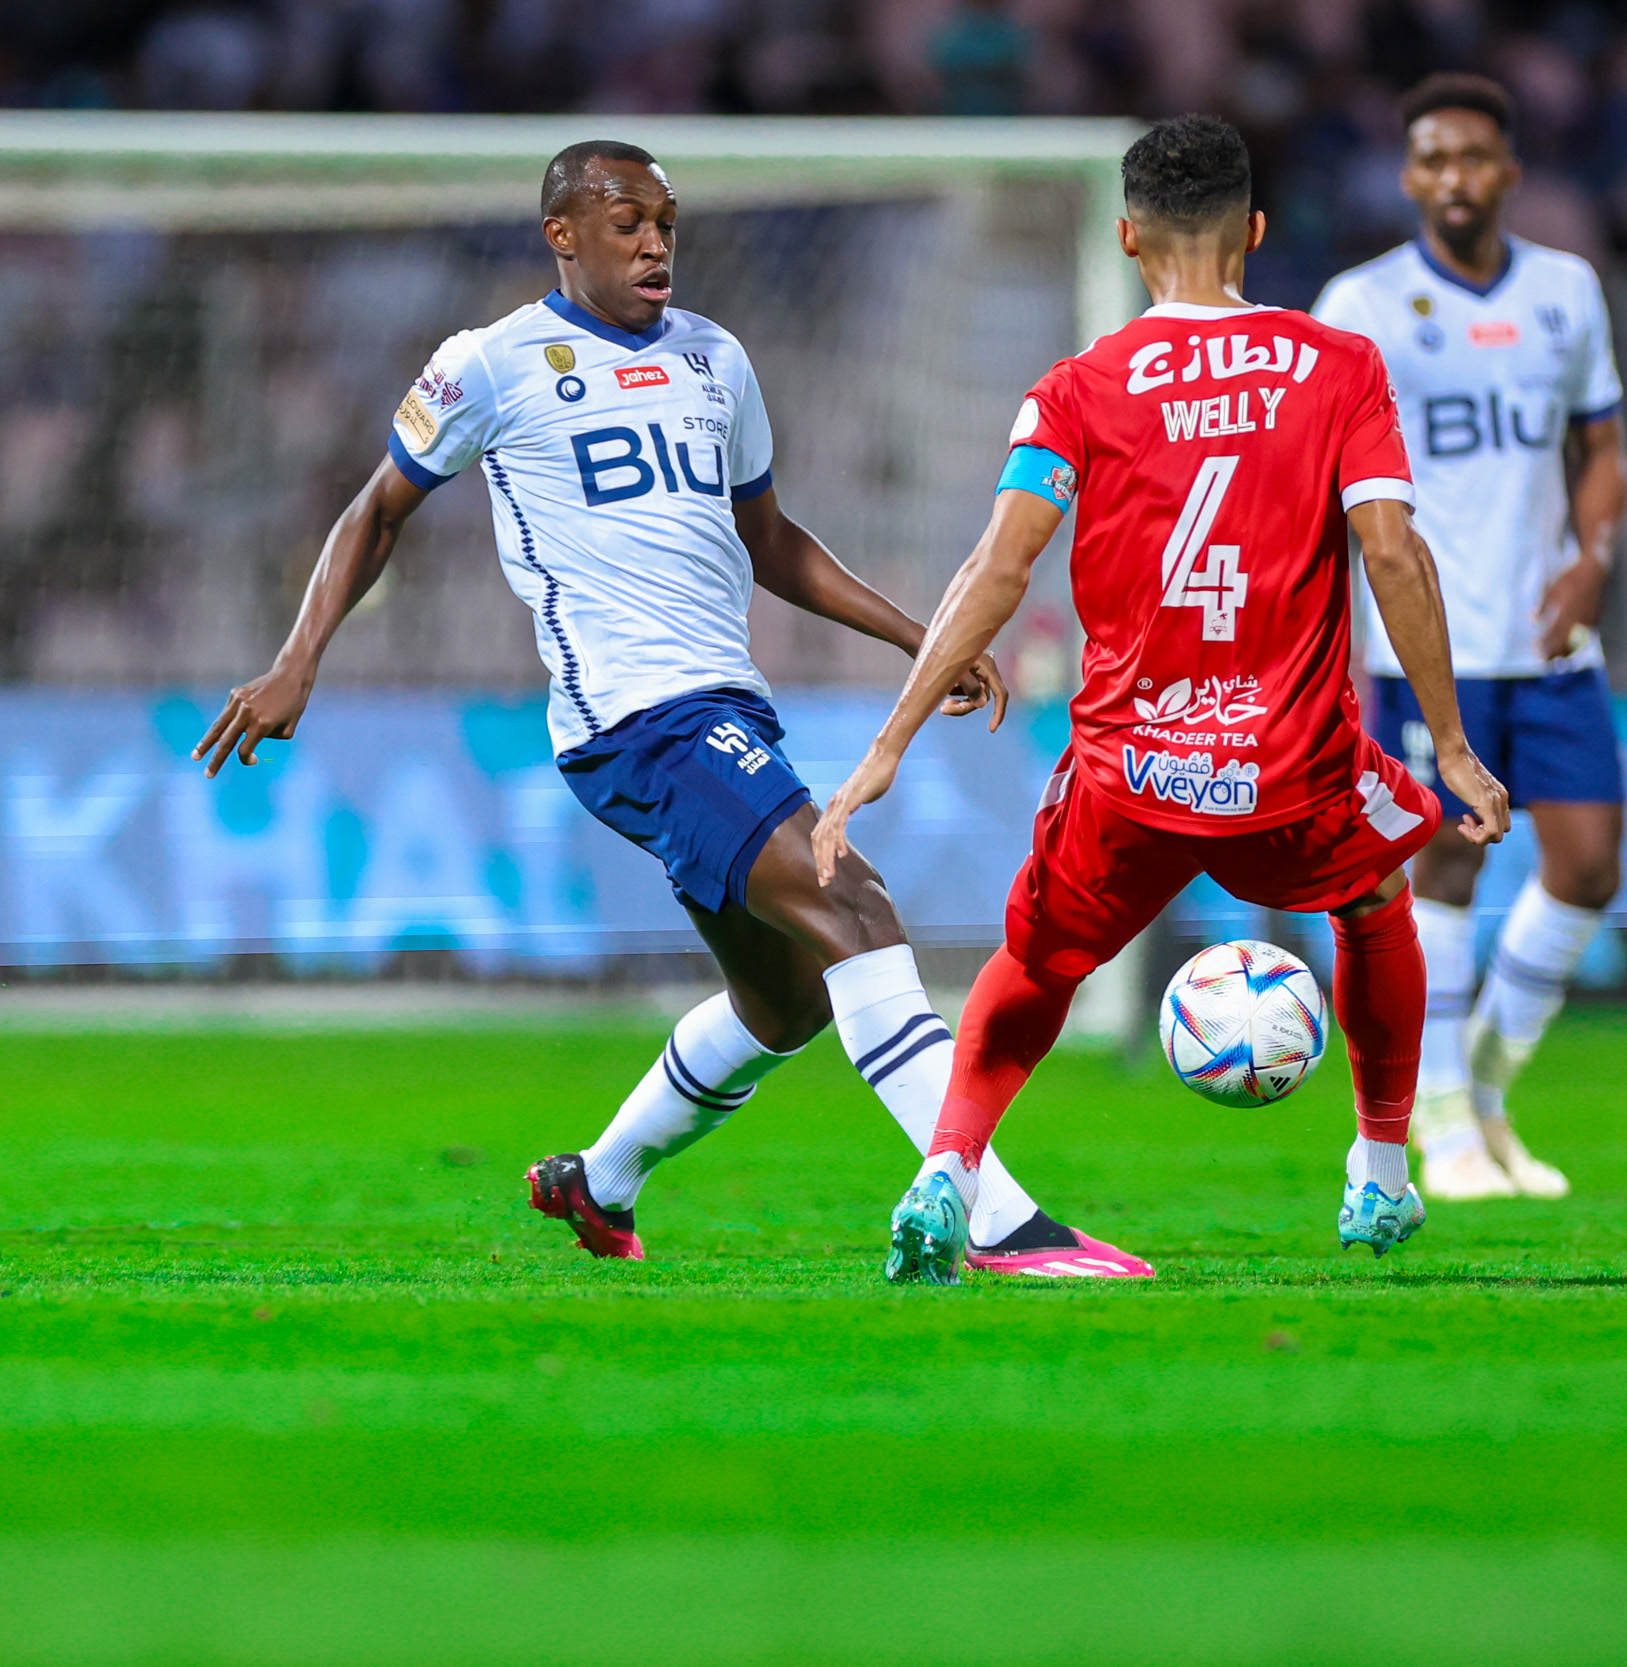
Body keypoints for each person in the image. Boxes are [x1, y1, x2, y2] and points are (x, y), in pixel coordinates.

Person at [197, 139, 1151, 1278]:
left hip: (717, 704)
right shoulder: (492, 363)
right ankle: (990, 1215)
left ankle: (597, 1183)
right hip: (633, 717)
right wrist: (299, 656)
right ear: (562, 234)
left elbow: (769, 540)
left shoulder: (715, 357)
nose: (654, 244)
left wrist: (920, 638)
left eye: (666, 223)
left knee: (786, 999)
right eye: (625, 224)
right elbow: (376, 509)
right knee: (855, 901)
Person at [812, 114, 1511, 1284]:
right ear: (1253, 232)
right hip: (1293, 770)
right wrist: (1447, 743)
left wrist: (888, 743)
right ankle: (1380, 1176)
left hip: (1129, 774)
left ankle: (947, 1168)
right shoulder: (1338, 366)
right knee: (1379, 883)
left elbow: (998, 565)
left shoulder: (1077, 390)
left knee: (1034, 960)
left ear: (1129, 237)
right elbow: (1392, 553)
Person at [1312, 74, 1627, 1203]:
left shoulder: (1565, 291)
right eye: (1433, 160)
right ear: (1407, 177)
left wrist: (1589, 560)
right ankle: (1439, 1120)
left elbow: (1602, 448)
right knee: (1438, 867)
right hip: (1423, 644)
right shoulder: (1359, 305)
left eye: (1474, 159)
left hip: (1548, 632)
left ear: (1508, 172)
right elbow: (1326, 488)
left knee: (1588, 865)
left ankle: (1482, 1083)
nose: (1454, 178)